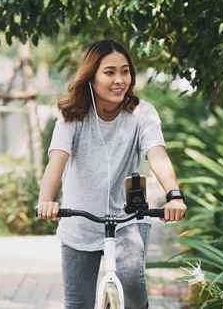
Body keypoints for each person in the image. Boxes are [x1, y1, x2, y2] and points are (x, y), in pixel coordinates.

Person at [37, 39, 187, 309]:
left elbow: (157, 154)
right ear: (91, 76)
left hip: (128, 217)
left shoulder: (142, 114)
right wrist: (46, 200)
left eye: (125, 71)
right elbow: (56, 160)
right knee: (78, 303)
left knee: (131, 281)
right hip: (80, 221)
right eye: (109, 72)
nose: (120, 80)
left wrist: (174, 195)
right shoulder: (72, 116)